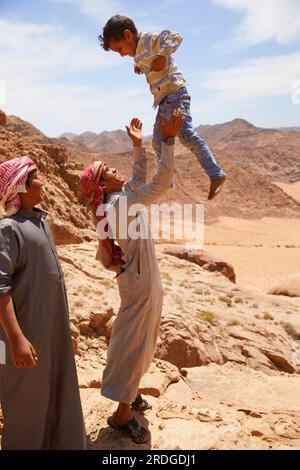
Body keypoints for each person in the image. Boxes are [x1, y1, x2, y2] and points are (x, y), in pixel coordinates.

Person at [80, 110, 185, 444]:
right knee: (134, 341)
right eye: (108, 170)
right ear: (102, 183)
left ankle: (132, 392)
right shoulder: (120, 205)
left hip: (141, 278)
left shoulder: (116, 201)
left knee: (143, 337)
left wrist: (138, 147)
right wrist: (166, 141)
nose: (114, 169)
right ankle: (122, 413)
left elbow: (136, 182)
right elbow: (159, 185)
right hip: (140, 281)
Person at [0, 156, 86, 450]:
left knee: (54, 398)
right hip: (25, 338)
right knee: (25, 407)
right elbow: (0, 289)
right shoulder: (8, 229)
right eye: (36, 177)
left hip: (50, 334)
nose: (42, 181)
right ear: (21, 186)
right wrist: (16, 340)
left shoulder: (40, 224)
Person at [99, 15, 226, 200]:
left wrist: (163, 54)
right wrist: (140, 68)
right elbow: (147, 63)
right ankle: (166, 180)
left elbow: (175, 36)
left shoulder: (149, 40)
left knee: (186, 134)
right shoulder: (138, 54)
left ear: (128, 35)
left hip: (176, 93)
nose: (120, 54)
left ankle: (216, 174)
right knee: (157, 141)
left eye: (119, 49)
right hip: (163, 101)